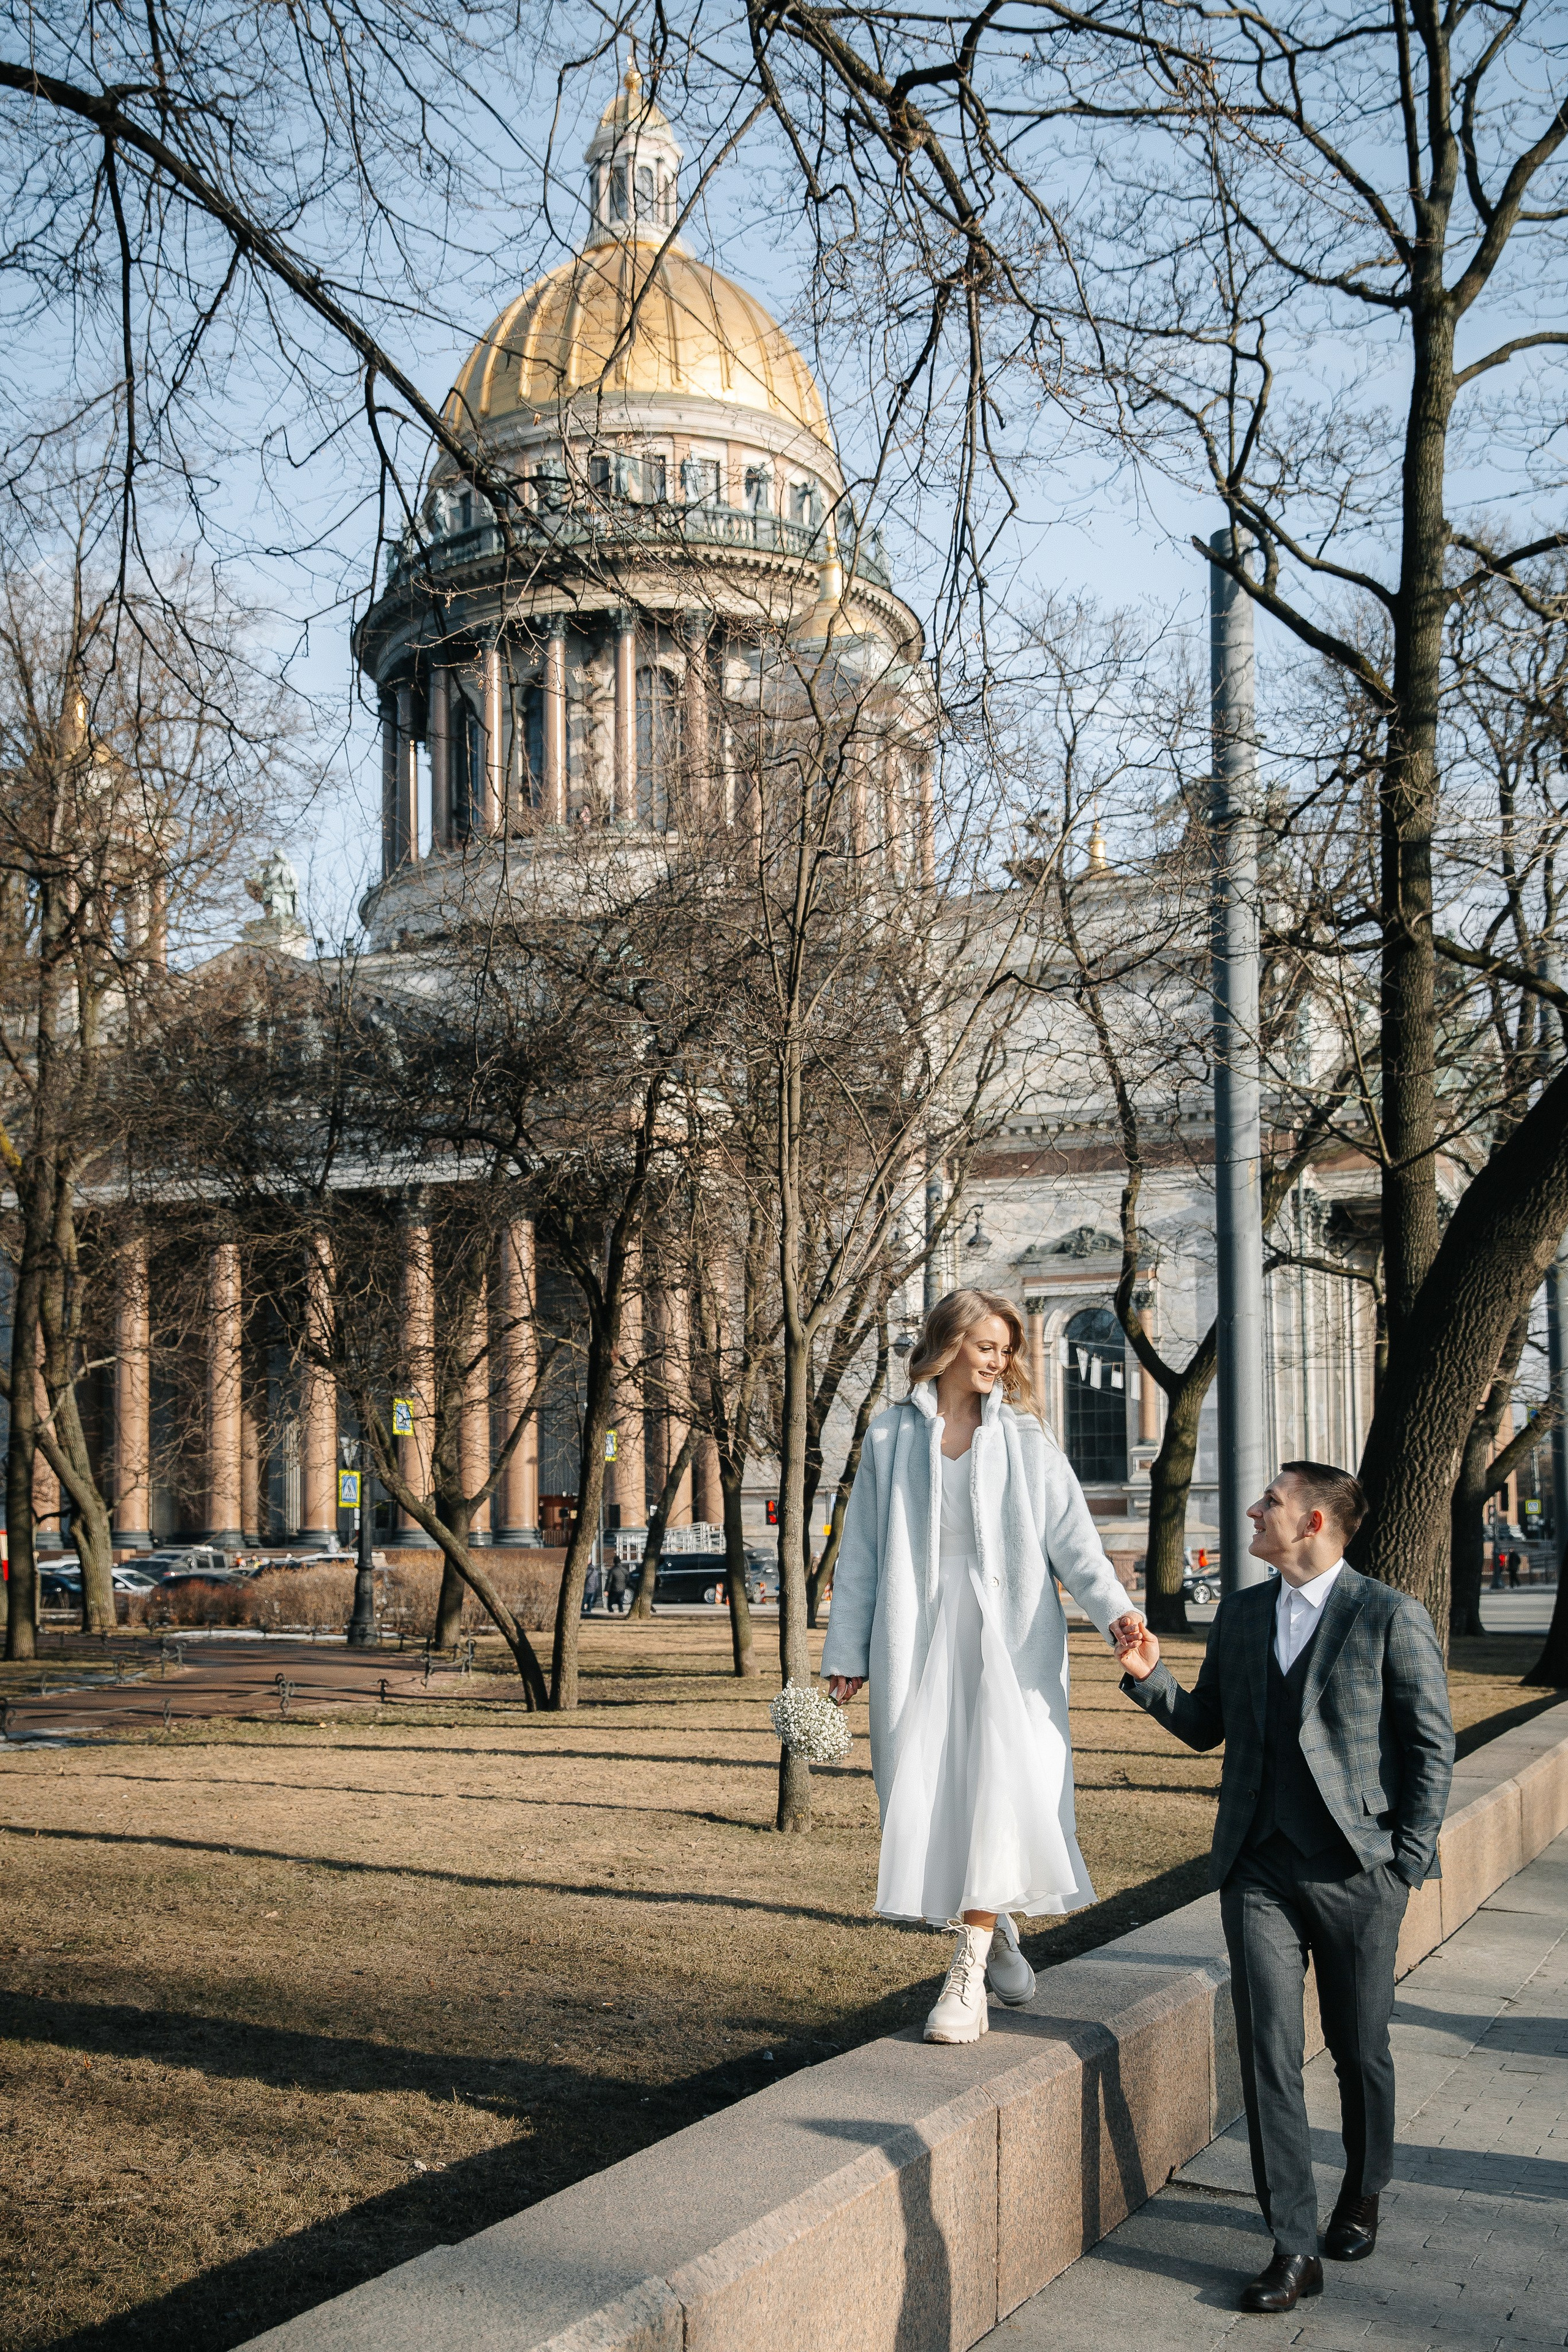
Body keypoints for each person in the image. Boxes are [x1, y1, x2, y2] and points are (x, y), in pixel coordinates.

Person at [1115, 1463, 1453, 2315]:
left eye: (1270, 1501)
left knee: (1358, 2044)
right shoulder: (1243, 1611)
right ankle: (1293, 2244)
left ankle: (1364, 2189)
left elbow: (1429, 1749)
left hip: (1356, 1870)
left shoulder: (1387, 1615)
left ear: (1312, 1523)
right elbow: (1206, 1728)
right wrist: (1153, 1677)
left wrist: (1403, 1862)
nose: (1255, 1510)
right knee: (1268, 2050)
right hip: (1256, 1867)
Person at [821, 1287, 1145, 2045]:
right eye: (986, 1346)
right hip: (920, 1638)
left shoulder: (1025, 1438)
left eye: (1007, 1349)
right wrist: (847, 1655)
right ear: (947, 1345)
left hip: (1009, 1642)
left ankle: (964, 1976)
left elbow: (1074, 1542)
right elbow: (863, 1552)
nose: (1000, 1361)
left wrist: (1117, 1615)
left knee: (1004, 1786)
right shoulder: (890, 1437)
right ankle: (993, 1932)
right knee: (933, 1795)